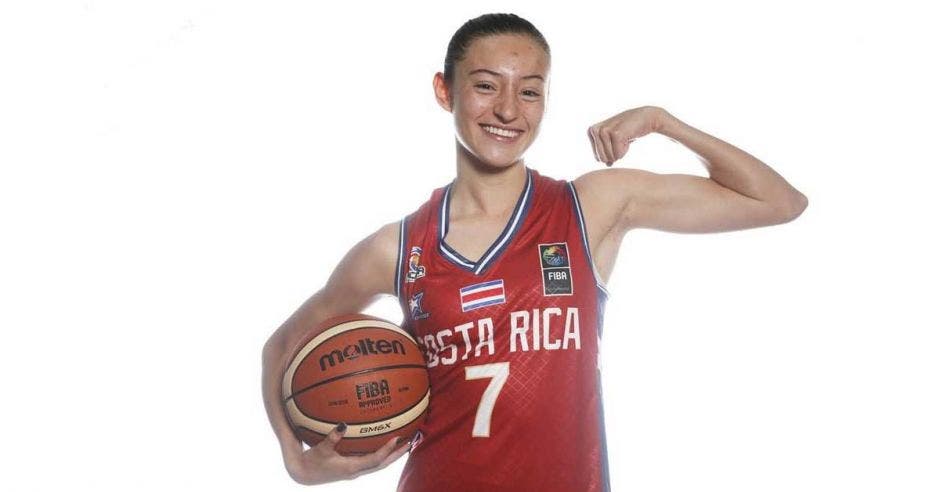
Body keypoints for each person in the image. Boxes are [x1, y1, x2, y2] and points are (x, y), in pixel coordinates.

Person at [261, 12, 808, 492]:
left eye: (529, 90)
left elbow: (778, 201)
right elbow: (282, 345)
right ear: (444, 91)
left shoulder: (589, 206)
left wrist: (664, 122)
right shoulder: (398, 248)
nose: (507, 109)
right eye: (484, 86)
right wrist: (296, 461)